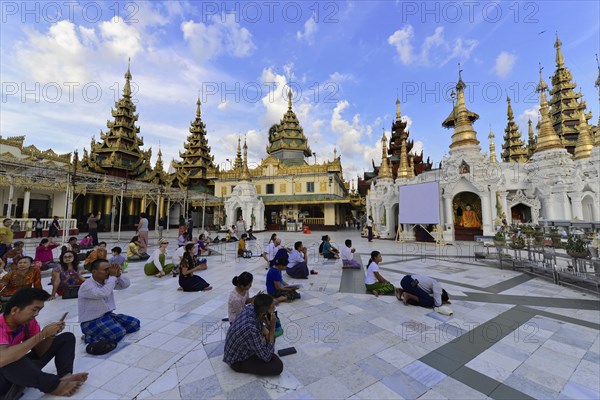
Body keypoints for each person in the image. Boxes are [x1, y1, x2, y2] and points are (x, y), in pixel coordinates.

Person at [0, 288, 88, 398]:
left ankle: (65, 376)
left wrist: (49, 336)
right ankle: (54, 386)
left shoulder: (28, 322)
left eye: (39, 310)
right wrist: (42, 335)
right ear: (14, 310)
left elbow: (39, 352)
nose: (36, 314)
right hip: (4, 375)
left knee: (66, 338)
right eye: (34, 309)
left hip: (18, 369)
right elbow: (2, 359)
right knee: (13, 359)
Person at [78, 259, 139, 345]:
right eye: (106, 270)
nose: (109, 272)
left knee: (134, 324)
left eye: (109, 269)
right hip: (90, 322)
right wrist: (113, 277)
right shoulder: (87, 285)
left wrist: (118, 275)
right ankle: (89, 336)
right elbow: (103, 293)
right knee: (118, 333)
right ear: (94, 272)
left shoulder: (107, 282)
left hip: (108, 316)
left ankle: (107, 329)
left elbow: (125, 285)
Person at [223, 294, 283, 376]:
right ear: (263, 312)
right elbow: (267, 357)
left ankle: (262, 348)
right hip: (237, 360)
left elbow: (262, 328)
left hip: (237, 349)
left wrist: (267, 324)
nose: (274, 309)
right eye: (272, 307)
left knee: (268, 337)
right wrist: (272, 329)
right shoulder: (251, 330)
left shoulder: (251, 308)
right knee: (277, 366)